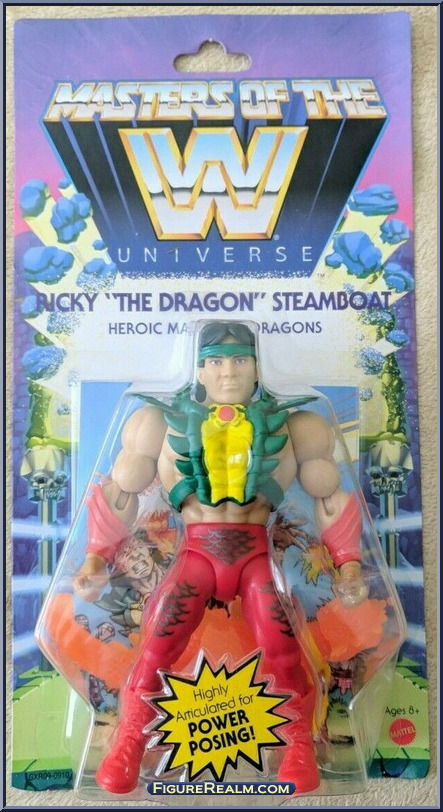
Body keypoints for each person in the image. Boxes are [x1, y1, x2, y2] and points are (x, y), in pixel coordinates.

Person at [74, 321, 367, 794]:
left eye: (239, 360)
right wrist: (95, 557)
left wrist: (348, 562)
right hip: (197, 552)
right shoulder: (158, 422)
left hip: (255, 555)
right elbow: (122, 490)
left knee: (282, 645)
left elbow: (329, 494)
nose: (228, 371)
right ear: (199, 370)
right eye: (215, 361)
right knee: (159, 643)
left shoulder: (299, 426)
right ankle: (129, 741)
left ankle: (298, 745)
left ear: (257, 367)